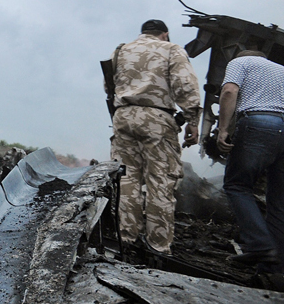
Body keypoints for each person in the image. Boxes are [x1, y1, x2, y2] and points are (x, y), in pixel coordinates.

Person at [109, 19, 201, 255]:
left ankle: (126, 239)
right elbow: (185, 85)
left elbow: (109, 86)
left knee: (126, 180)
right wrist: (192, 120)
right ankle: (158, 245)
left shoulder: (120, 50)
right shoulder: (171, 49)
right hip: (157, 120)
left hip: (123, 116)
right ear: (165, 34)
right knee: (160, 181)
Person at [217, 50, 284, 271]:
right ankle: (273, 266)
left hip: (258, 124)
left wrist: (223, 129)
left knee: (237, 185)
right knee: (278, 200)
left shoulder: (241, 61)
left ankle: (259, 245)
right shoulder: (281, 70)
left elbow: (229, 91)